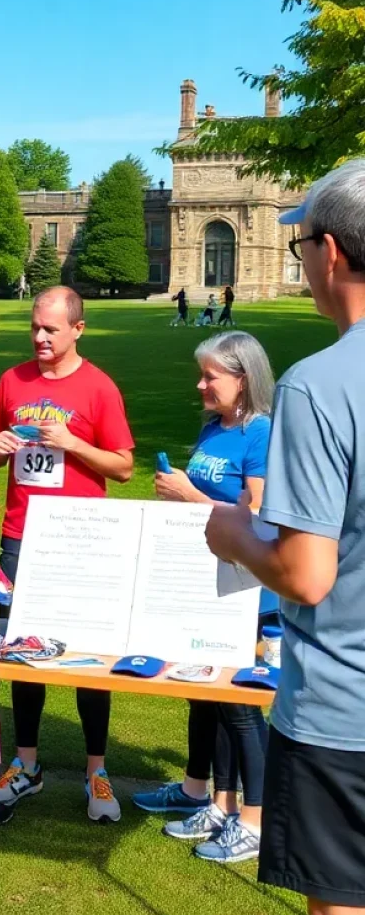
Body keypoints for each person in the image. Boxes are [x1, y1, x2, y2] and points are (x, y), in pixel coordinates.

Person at [205, 160, 365, 915]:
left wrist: (233, 532)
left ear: (328, 253)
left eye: (299, 242)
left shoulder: (319, 383)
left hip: (343, 711)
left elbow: (305, 574)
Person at [0, 286, 135, 823]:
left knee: (87, 659)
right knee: (23, 655)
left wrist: (72, 444)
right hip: (21, 536)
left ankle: (97, 772)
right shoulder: (11, 380)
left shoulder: (98, 388)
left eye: (51, 329)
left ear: (77, 329)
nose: (41, 337)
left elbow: (121, 467)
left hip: (80, 541)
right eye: (35, 328)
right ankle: (26, 766)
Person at [133, 331, 275, 863]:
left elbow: (256, 513)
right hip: (200, 584)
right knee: (205, 696)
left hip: (244, 590)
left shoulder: (261, 432)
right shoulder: (213, 427)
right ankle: (217, 801)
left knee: (239, 705)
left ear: (243, 379)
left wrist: (188, 495)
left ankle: (255, 821)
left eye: (211, 376)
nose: (201, 384)